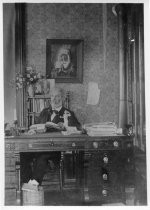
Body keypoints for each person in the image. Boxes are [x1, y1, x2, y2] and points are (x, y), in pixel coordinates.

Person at [21, 87, 81, 185]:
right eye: (52, 96)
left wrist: (66, 127)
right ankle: (26, 184)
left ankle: (34, 186)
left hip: (56, 149)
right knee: (23, 154)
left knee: (41, 157)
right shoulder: (44, 111)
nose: (53, 99)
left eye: (56, 96)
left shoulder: (68, 113)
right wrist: (33, 130)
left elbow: (78, 129)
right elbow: (37, 126)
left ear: (62, 98)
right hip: (40, 146)